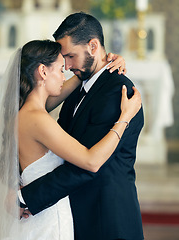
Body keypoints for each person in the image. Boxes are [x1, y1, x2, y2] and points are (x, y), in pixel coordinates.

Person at [0, 39, 141, 239]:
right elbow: (91, 161)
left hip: (37, 216)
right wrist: (124, 118)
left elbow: (62, 91)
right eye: (61, 69)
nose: (65, 74)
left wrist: (99, 65)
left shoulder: (23, 113)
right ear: (43, 72)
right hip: (47, 221)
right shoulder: (38, 120)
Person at [19, 12, 145, 240]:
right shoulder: (79, 87)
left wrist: (27, 197)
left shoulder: (117, 91)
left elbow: (88, 164)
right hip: (78, 214)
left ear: (93, 46)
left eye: (70, 56)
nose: (66, 66)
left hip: (107, 219)